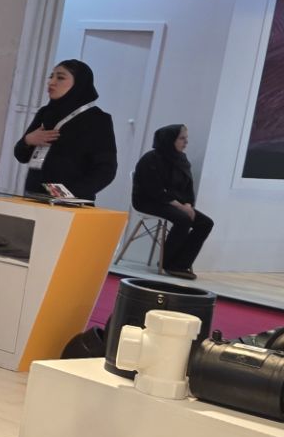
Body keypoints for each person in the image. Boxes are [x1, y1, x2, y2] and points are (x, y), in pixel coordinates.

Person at [12, 59, 117, 201]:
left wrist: (66, 194)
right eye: (51, 77)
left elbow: (106, 170)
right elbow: (21, 155)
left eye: (60, 78)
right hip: (34, 195)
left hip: (71, 202)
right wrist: (28, 140)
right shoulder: (45, 113)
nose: (51, 82)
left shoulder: (97, 119)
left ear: (79, 83)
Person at [132, 124, 214, 279]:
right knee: (184, 219)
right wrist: (181, 207)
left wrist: (188, 204)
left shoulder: (181, 159)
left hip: (176, 203)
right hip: (148, 201)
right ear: (169, 140)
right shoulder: (150, 159)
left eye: (186, 138)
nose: (186, 142)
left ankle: (181, 264)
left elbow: (188, 187)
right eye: (182, 138)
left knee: (206, 223)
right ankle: (167, 263)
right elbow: (154, 190)